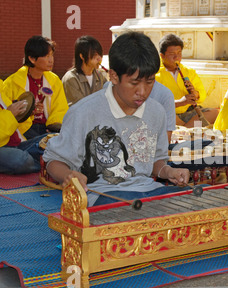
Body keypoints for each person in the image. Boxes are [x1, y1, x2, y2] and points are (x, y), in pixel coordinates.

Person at [43, 32, 190, 207]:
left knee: (196, 201)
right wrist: (67, 175)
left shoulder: (156, 111)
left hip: (148, 190)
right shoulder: (83, 112)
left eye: (149, 82)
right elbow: (53, 161)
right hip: (105, 195)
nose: (142, 91)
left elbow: (155, 162)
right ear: (113, 76)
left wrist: (168, 171)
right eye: (134, 83)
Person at [2, 36, 69, 139]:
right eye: (47, 56)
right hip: (24, 129)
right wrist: (29, 113)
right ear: (32, 58)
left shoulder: (54, 80)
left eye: (52, 55)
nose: (51, 60)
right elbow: (7, 114)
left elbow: (61, 109)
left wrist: (54, 126)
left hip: (48, 128)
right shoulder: (12, 83)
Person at [156, 33, 218, 127]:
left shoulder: (188, 72)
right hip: (170, 113)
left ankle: (184, 128)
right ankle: (188, 128)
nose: (177, 58)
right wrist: (180, 102)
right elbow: (153, 102)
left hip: (189, 113)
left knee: (215, 113)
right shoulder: (155, 74)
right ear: (162, 56)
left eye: (179, 53)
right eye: (172, 54)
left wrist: (195, 93)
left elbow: (202, 94)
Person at [0, 90, 47, 174]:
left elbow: (15, 128)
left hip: (15, 145)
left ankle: (45, 159)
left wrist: (26, 113)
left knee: (51, 138)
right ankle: (46, 163)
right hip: (7, 150)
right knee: (20, 159)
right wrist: (10, 114)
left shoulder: (1, 91)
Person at [62, 35, 108, 107]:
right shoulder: (71, 79)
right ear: (82, 56)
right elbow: (81, 107)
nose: (99, 59)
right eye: (95, 55)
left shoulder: (99, 76)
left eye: (100, 54)